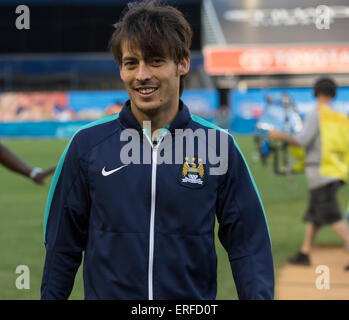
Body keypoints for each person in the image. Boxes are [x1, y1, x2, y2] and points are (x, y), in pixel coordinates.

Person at [41, 0, 274, 300]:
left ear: (182, 63)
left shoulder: (218, 146)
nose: (141, 75)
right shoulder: (86, 146)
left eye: (155, 61)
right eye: (131, 63)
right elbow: (62, 248)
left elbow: (248, 245)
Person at [269, 77, 349, 270]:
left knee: (332, 216)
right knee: (314, 216)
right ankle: (305, 253)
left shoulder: (317, 114)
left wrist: (281, 136)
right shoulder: (339, 115)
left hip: (321, 173)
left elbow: (303, 140)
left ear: (316, 93)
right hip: (337, 169)